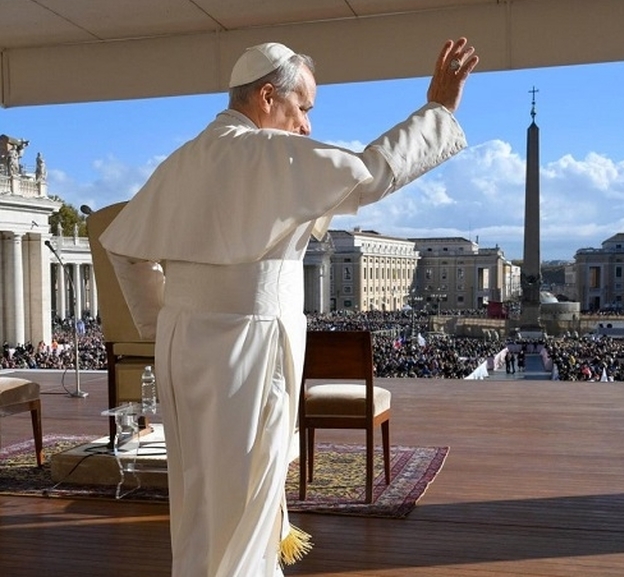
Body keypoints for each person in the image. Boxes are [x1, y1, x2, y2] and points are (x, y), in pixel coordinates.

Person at [100, 37, 478, 577]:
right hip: (249, 347)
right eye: (302, 108)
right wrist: (438, 110)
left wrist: (165, 324)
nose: (305, 126)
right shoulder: (262, 152)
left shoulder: (184, 158)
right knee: (248, 489)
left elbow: (124, 247)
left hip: (183, 346)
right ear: (266, 96)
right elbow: (370, 174)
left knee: (199, 490)